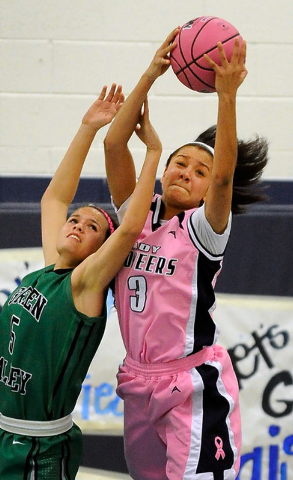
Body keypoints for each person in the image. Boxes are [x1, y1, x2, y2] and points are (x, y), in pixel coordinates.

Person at [0, 84, 163, 480]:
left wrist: (152, 154)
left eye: (91, 226)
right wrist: (87, 128)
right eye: (75, 221)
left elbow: (128, 230)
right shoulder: (48, 269)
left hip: (38, 446)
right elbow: (53, 201)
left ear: (100, 250)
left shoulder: (84, 286)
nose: (75, 225)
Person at [104, 29, 269, 480]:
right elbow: (114, 145)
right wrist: (151, 74)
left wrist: (226, 95)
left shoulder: (202, 230)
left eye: (200, 171)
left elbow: (222, 180)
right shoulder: (136, 217)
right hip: (137, 382)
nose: (188, 173)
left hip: (191, 385)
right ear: (163, 170)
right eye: (181, 163)